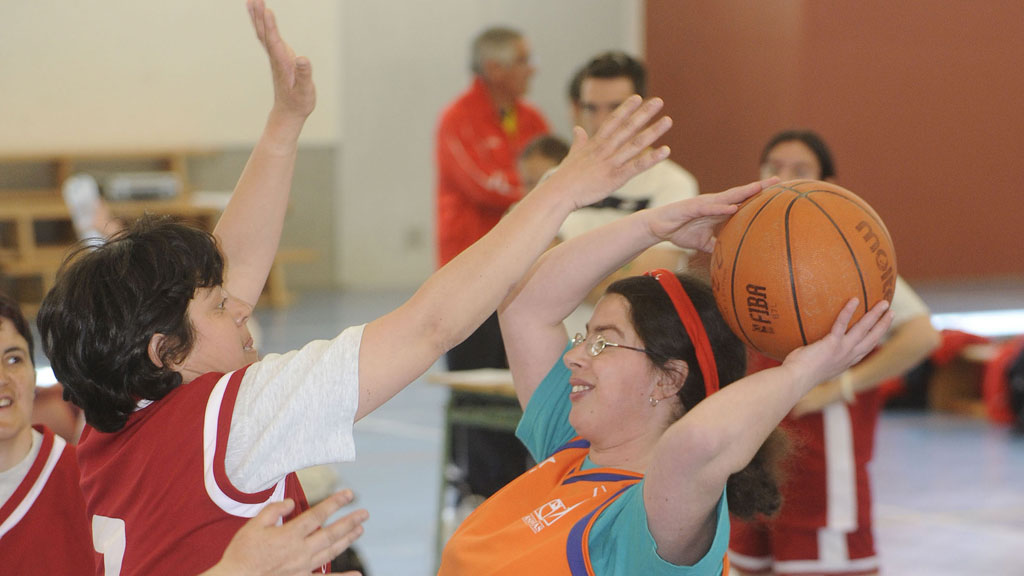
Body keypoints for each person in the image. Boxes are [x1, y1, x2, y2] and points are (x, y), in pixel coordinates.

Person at [35, 0, 676, 569]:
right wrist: (561, 189)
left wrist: (285, 123)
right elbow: (430, 324)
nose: (239, 305)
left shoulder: (108, 421)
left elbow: (225, 267)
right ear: (163, 350)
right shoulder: (232, 415)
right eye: (216, 304)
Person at [437, 178, 894, 575]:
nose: (576, 357)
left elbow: (692, 444)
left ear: (669, 379)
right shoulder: (570, 451)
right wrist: (653, 228)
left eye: (603, 341)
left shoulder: (644, 521)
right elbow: (527, 304)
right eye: (584, 336)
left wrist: (804, 370)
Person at [727, 130, 942, 576]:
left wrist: (839, 386)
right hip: (751, 460)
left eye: (799, 170)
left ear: (826, 182)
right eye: (773, 166)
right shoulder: (739, 249)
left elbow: (922, 336)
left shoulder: (847, 256)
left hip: (820, 464)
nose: (782, 177)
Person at [436, 25, 550, 373]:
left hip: (522, 269)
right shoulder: (457, 120)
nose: (533, 68)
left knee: (521, 379)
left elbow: (553, 177)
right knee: (475, 386)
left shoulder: (532, 119)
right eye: (523, 60)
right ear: (495, 68)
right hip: (470, 272)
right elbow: (481, 185)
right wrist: (540, 194)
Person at [562, 51, 700, 310]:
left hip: (635, 345)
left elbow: (646, 280)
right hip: (559, 345)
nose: (602, 121)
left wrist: (564, 272)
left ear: (644, 109)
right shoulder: (557, 179)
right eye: (591, 108)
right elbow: (528, 266)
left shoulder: (673, 183)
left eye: (616, 108)